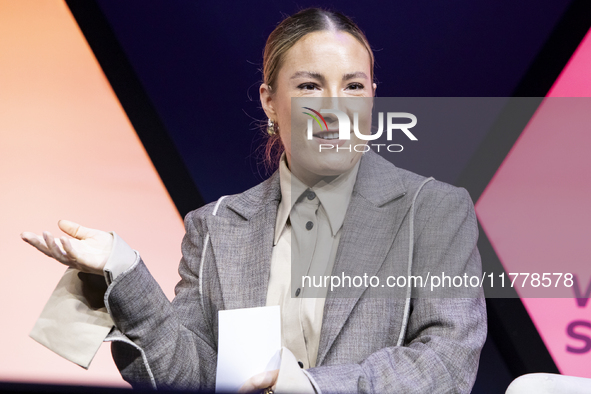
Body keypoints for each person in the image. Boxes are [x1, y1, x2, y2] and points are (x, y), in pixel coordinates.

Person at [22, 8, 486, 393]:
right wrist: (122, 272)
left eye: (353, 85)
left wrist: (313, 388)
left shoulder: (434, 210)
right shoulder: (217, 225)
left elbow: (447, 362)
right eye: (309, 86)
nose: (335, 106)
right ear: (269, 101)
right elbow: (190, 376)